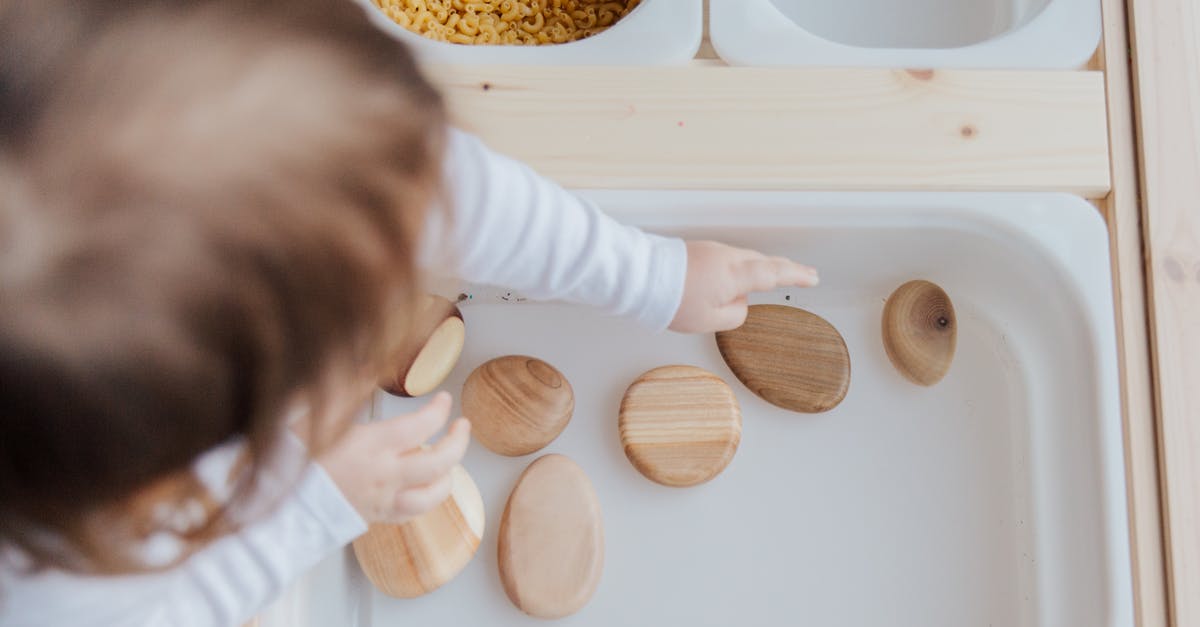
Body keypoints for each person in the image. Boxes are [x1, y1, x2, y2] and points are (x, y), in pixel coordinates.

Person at [0, 0, 818, 624]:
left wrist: (648, 274)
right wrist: (311, 502)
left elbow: (431, 187)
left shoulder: (246, 115)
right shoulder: (58, 580)